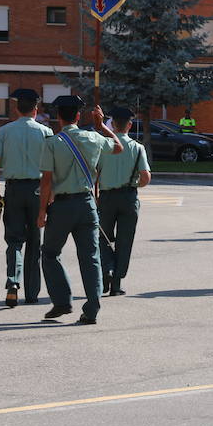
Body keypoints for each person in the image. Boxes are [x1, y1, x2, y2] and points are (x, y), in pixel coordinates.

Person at [37, 95, 123, 325]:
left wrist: (41, 212)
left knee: (50, 253)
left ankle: (63, 301)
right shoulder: (94, 137)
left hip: (62, 207)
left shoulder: (53, 143)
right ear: (77, 116)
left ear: (58, 117)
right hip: (86, 204)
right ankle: (92, 308)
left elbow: (46, 182)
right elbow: (118, 147)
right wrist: (102, 125)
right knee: (90, 257)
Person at [0, 89, 53, 307]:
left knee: (14, 240)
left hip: (14, 189)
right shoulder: (46, 131)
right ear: (36, 109)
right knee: (35, 242)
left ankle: (13, 282)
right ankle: (33, 292)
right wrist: (50, 195)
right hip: (37, 190)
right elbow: (51, 169)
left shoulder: (5, 130)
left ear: (17, 109)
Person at [97, 107, 151, 297]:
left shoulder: (104, 145)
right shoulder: (138, 148)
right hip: (128, 196)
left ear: (112, 125)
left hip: (106, 197)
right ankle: (117, 283)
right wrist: (135, 183)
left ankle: (107, 270)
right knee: (124, 240)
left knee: (102, 237)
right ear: (130, 125)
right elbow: (145, 177)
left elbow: (95, 173)